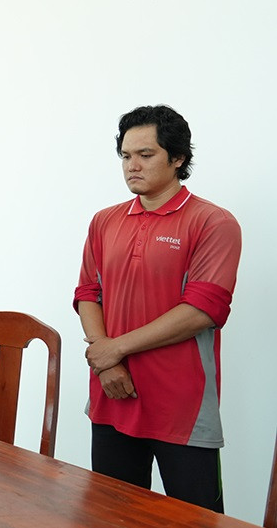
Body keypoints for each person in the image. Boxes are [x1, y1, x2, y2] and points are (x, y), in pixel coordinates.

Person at [73, 105, 241, 513]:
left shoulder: (213, 222)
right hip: (113, 397)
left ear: (178, 157)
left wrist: (114, 349)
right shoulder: (104, 221)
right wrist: (106, 361)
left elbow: (202, 310)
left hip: (181, 410)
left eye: (145, 155)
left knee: (196, 520)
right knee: (112, 517)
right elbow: (87, 293)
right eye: (126, 156)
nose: (132, 166)